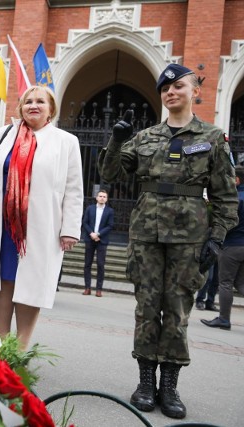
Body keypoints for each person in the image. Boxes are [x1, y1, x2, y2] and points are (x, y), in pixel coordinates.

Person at [98, 64, 238, 419]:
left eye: (178, 86)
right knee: (146, 308)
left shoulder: (212, 137)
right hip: (145, 235)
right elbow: (109, 174)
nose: (171, 92)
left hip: (189, 239)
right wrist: (116, 140)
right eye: (165, 88)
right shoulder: (144, 138)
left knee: (177, 311)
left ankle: (170, 387)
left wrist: (217, 239)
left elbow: (225, 196)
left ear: (194, 91)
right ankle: (146, 382)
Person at [0, 85, 84, 350]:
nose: (33, 105)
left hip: (41, 226)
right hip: (1, 222)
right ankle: (2, 343)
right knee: (2, 279)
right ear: (20, 107)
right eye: (28, 101)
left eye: (40, 101)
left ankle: (20, 349)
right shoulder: (3, 135)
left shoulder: (65, 141)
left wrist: (70, 228)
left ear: (50, 109)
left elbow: (74, 188)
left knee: (32, 283)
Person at [202, 165, 244, 330]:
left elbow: (229, 222)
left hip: (232, 245)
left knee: (225, 283)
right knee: (241, 283)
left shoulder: (235, 198)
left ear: (237, 180)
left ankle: (224, 319)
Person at [81, 189, 115, 297]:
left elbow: (110, 226)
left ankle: (99, 289)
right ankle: (87, 288)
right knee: (87, 264)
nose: (102, 198)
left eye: (104, 197)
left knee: (100, 265)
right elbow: (84, 222)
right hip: (90, 238)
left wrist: (98, 234)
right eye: (100, 196)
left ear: (107, 199)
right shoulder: (90, 209)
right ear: (96, 198)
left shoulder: (110, 211)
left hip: (102, 240)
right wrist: (91, 233)